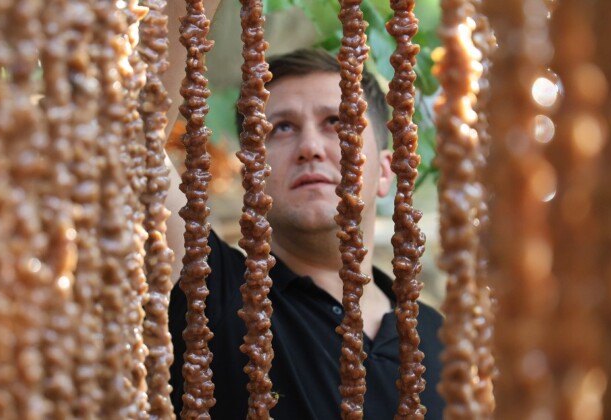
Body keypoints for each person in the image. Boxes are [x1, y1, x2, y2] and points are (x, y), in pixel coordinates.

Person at [162, 46, 445, 419]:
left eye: (338, 123)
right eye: (281, 128)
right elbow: (127, 130)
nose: (309, 147)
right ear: (250, 173)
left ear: (386, 170)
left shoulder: (444, 339)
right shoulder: (213, 290)